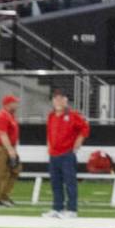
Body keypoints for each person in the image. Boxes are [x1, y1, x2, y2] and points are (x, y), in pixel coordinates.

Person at [43, 89, 90, 219]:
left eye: (60, 98)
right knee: (55, 183)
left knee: (70, 182)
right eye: (55, 99)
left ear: (65, 100)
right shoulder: (51, 116)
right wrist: (49, 146)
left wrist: (79, 141)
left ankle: (72, 209)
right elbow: (49, 132)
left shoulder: (73, 115)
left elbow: (85, 128)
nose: (58, 101)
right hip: (53, 154)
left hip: (67, 154)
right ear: (52, 101)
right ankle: (57, 207)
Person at [0, 94, 20, 208]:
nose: (17, 105)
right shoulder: (2, 116)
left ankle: (4, 196)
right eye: (15, 102)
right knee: (1, 173)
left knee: (15, 171)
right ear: (8, 104)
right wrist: (10, 150)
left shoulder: (11, 115)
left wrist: (13, 149)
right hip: (1, 147)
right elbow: (2, 134)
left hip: (8, 147)